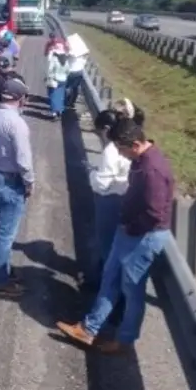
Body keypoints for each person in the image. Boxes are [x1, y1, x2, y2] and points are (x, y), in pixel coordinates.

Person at [57, 119, 175, 354]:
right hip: (129, 231)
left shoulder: (152, 170)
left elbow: (155, 212)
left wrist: (130, 228)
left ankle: (124, 340)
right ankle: (89, 328)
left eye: (121, 149)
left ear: (133, 144)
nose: (120, 154)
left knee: (132, 291)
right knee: (110, 279)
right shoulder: (141, 160)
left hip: (143, 237)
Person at [83, 99, 143, 293]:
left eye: (100, 132)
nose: (100, 136)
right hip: (126, 197)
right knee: (118, 247)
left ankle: (106, 287)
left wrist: (91, 173)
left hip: (109, 200)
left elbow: (101, 183)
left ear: (107, 128)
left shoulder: (111, 149)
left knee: (106, 245)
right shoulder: (133, 138)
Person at [0, 78, 34, 298]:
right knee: (6, 233)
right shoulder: (17, 123)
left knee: (2, 228)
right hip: (11, 180)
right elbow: (24, 159)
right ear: (21, 99)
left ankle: (3, 269)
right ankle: (0, 281)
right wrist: (29, 181)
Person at [45, 48, 70, 119]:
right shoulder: (66, 61)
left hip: (55, 81)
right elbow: (68, 72)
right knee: (60, 96)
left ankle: (54, 113)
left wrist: (48, 77)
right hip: (63, 81)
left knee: (53, 97)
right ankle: (60, 111)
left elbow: (49, 71)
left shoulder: (54, 60)